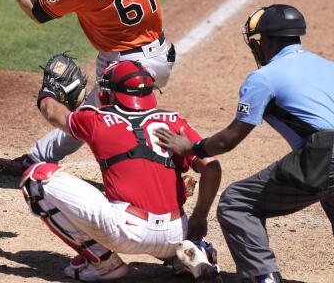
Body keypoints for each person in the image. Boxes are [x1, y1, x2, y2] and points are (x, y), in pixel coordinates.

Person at [154, 4, 334, 283]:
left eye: (259, 40)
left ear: (270, 40)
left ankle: (263, 277)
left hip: (327, 154)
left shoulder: (264, 77)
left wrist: (192, 148)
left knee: (237, 202)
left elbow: (228, 140)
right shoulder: (332, 69)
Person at [0, 0, 175, 176]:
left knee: (90, 122)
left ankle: (171, 169)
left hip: (124, 68)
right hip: (159, 51)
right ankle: (35, 158)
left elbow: (37, 11)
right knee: (97, 115)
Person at [20, 59, 222, 281]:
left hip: (127, 231)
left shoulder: (96, 120)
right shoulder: (174, 122)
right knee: (175, 183)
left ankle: (103, 262)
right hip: (177, 232)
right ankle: (188, 255)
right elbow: (212, 169)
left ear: (113, 93)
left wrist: (48, 93)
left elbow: (53, 113)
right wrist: (199, 218)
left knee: (36, 177)